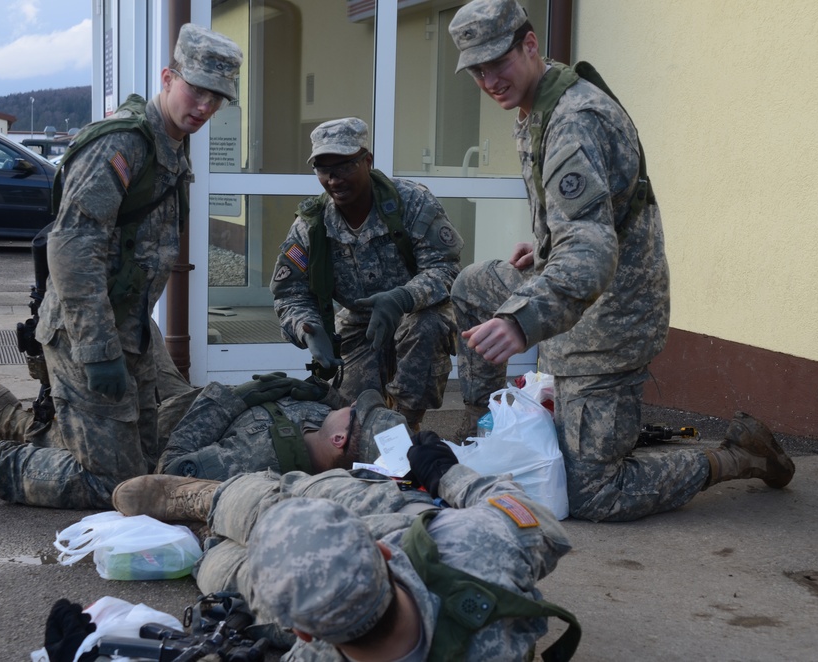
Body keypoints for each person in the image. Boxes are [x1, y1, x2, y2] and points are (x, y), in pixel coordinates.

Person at [446, 0, 795, 521]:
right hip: (572, 284)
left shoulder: (574, 120)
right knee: (473, 286)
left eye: (498, 61)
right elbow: (588, 213)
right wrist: (543, 241)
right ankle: (486, 427)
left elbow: (592, 250)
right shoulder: (538, 104)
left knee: (592, 493)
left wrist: (521, 320)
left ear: (530, 44)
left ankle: (737, 455)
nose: (490, 79)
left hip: (612, 316)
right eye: (477, 69)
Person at [0, 24, 243, 509]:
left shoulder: (171, 143)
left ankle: (5, 417)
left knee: (143, 466)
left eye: (216, 97)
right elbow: (73, 247)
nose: (204, 106)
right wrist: (97, 351)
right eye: (196, 90)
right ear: (167, 78)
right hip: (85, 332)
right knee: (112, 486)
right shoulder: (122, 145)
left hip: (129, 330)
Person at [111, 432, 577, 661]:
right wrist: (443, 473)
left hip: (384, 530)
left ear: (308, 639)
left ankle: (213, 521)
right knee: (338, 500)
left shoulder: (312, 657)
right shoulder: (478, 544)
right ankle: (217, 504)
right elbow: (544, 527)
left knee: (234, 573)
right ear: (387, 553)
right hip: (414, 524)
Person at [270, 117, 463, 431]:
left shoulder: (411, 202)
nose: (334, 180)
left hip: (417, 311)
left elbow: (446, 268)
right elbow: (290, 293)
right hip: (361, 322)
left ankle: (407, 426)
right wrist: (308, 329)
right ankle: (373, 430)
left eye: (345, 166)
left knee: (426, 328)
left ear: (367, 161)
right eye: (324, 170)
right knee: (355, 416)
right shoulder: (312, 224)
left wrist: (402, 297)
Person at [109, 383, 410, 520]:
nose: (353, 403)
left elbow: (171, 469)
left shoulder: (251, 460)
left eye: (355, 410)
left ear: (339, 439)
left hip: (173, 411)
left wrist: (230, 400)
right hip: (194, 392)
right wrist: (321, 391)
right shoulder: (325, 424)